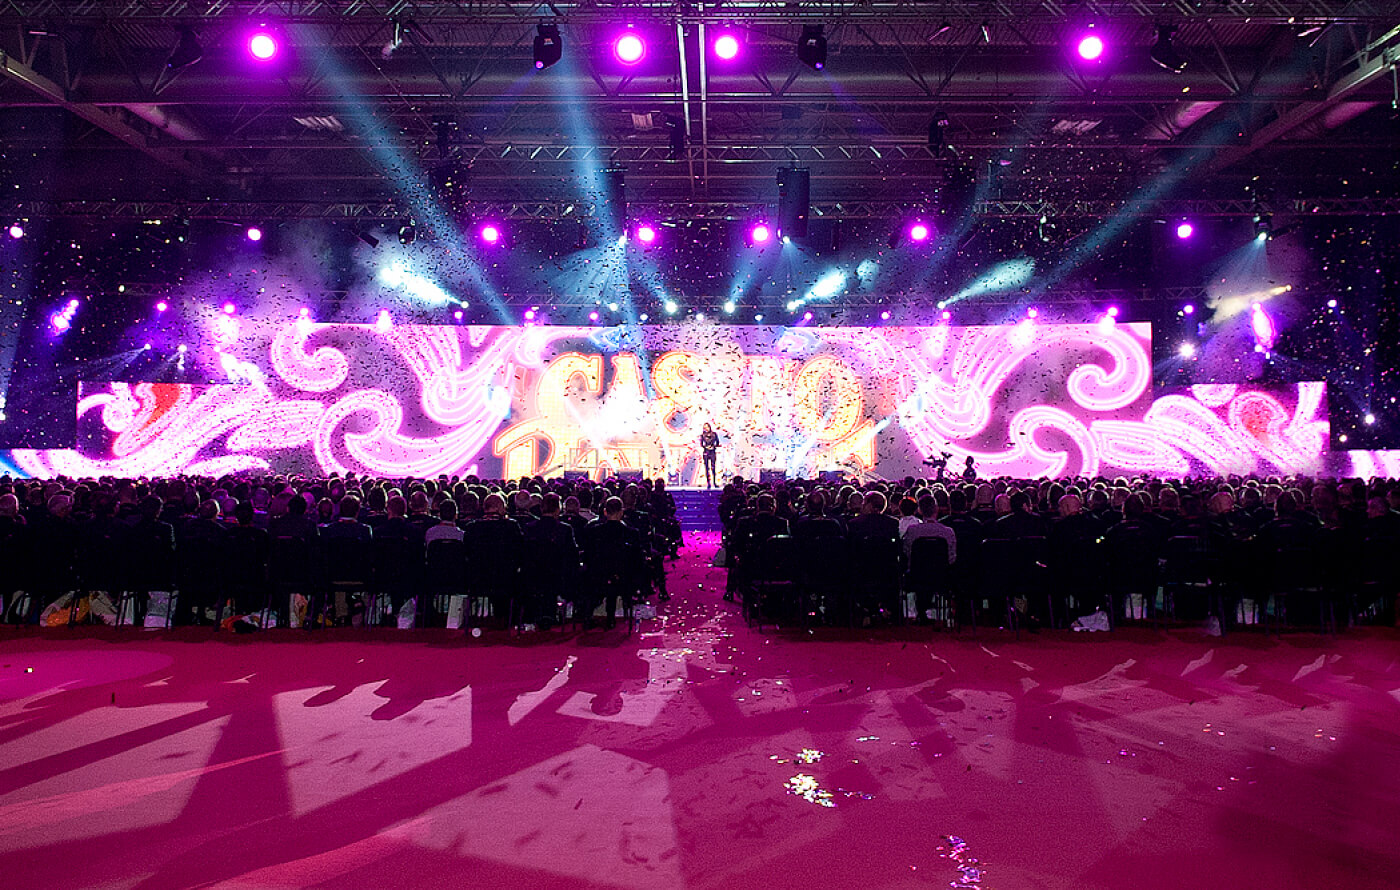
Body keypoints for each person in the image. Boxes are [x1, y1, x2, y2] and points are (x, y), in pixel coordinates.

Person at [700, 423, 720, 488]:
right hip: (706, 452)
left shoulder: (714, 434)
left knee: (713, 467)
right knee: (706, 468)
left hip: (712, 451)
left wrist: (713, 446)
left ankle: (714, 482)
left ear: (709, 427)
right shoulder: (702, 435)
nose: (705, 428)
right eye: (704, 427)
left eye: (706, 427)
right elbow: (701, 444)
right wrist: (706, 447)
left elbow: (717, 442)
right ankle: (708, 483)